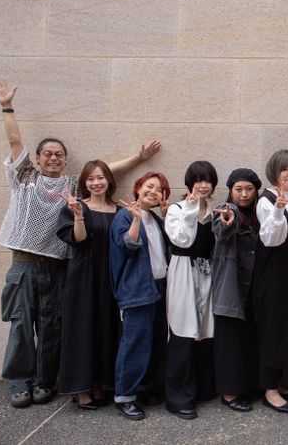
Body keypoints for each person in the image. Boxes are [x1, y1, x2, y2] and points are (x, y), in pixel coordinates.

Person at [0, 79, 161, 409]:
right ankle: (20, 384)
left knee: (53, 327)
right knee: (21, 325)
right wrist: (7, 106)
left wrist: (137, 158)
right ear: (37, 158)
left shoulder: (72, 186)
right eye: (48, 154)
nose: (53, 158)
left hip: (59, 266)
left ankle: (45, 382)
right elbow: (14, 142)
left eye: (59, 155)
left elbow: (102, 173)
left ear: (66, 160)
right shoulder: (25, 177)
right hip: (25, 263)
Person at [55, 160, 120, 409]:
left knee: (105, 328)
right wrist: (79, 216)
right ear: (84, 183)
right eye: (91, 179)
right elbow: (78, 240)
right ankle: (80, 389)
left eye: (100, 177)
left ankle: (99, 383)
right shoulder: (77, 206)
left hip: (111, 276)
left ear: (109, 181)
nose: (96, 183)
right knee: (82, 329)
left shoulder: (118, 210)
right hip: (84, 276)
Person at [110, 172, 171, 420]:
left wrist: (166, 217)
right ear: (138, 187)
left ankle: (142, 386)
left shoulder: (155, 219)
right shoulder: (125, 215)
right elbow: (128, 246)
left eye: (159, 189)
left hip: (159, 287)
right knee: (135, 343)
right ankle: (124, 396)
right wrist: (135, 220)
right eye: (150, 186)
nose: (153, 192)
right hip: (137, 288)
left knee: (155, 341)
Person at [164, 161, 219, 420]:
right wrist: (189, 210)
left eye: (207, 180)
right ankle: (178, 399)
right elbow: (182, 240)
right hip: (183, 271)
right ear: (189, 183)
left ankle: (203, 389)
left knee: (205, 331)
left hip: (205, 272)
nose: (203, 185)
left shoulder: (214, 211)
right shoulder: (176, 209)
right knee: (183, 328)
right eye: (198, 180)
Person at [254, 149, 288, 414]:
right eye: (285, 169)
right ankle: (269, 391)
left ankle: (278, 382)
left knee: (286, 330)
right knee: (272, 331)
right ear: (274, 171)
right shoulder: (267, 200)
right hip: (272, 278)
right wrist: (277, 211)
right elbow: (271, 239)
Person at [212, 168, 262, 413]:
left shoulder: (259, 213)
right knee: (229, 342)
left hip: (252, 288)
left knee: (247, 340)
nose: (244, 194)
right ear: (230, 191)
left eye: (249, 189)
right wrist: (228, 221)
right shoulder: (226, 210)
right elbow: (221, 231)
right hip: (230, 288)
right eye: (239, 189)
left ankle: (247, 387)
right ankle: (229, 394)